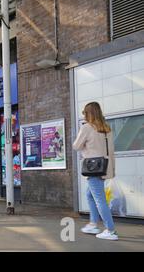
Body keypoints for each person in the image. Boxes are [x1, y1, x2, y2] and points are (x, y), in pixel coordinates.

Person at [73, 102, 117, 241]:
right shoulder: (106, 128)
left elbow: (76, 146)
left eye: (85, 113)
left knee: (100, 200)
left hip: (93, 168)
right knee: (90, 195)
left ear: (88, 114)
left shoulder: (87, 127)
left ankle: (110, 230)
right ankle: (93, 224)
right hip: (104, 167)